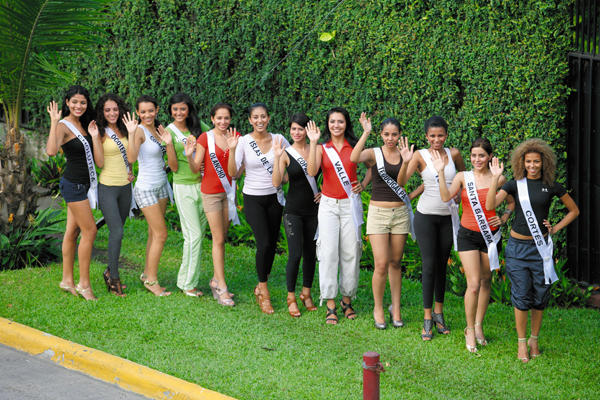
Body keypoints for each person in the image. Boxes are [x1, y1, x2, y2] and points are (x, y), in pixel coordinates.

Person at [486, 138, 579, 362]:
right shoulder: (514, 184)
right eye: (528, 161)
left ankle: (534, 339)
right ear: (522, 162)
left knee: (540, 295)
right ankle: (521, 344)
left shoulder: (552, 186)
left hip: (541, 250)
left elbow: (574, 210)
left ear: (544, 162)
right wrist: (495, 179)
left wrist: (555, 228)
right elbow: (490, 206)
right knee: (521, 295)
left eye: (536, 161)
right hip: (517, 249)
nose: (532, 166)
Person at [433, 138, 514, 352]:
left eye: (481, 155)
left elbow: (511, 202)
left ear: (489, 157)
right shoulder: (462, 177)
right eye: (473, 155)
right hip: (467, 234)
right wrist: (441, 172)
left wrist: (504, 217)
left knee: (487, 281)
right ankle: (469, 329)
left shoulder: (500, 177)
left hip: (491, 236)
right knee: (474, 284)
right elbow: (444, 197)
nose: (477, 159)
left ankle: (479, 326)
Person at [399, 115, 466, 340]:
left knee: (441, 266)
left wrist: (457, 197)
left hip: (448, 218)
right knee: (428, 266)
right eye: (432, 136)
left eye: (440, 136)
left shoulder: (454, 154)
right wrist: (405, 161)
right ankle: (427, 317)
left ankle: (439, 313)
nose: (436, 140)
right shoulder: (420, 155)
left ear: (446, 135)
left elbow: (464, 179)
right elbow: (401, 182)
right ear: (426, 136)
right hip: (426, 217)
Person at [350, 114, 415, 329]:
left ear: (399, 135)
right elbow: (353, 157)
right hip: (378, 213)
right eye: (386, 134)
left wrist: (406, 162)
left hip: (400, 214)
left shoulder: (404, 154)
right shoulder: (374, 153)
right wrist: (365, 132)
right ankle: (378, 307)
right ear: (381, 135)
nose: (390, 138)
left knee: (396, 263)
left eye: (394, 134)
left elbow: (402, 183)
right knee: (380, 264)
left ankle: (395, 308)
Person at [227, 103, 289, 314]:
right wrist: (233, 149)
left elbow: (293, 164)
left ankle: (261, 283)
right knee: (263, 243)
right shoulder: (243, 141)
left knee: (271, 244)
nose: (260, 120)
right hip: (253, 198)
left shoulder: (279, 139)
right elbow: (233, 173)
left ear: (268, 118)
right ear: (250, 120)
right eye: (256, 117)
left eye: (263, 116)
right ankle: (263, 289)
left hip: (275, 197)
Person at [306, 107, 363, 325]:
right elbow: (312, 171)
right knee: (328, 252)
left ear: (346, 124)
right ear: (327, 124)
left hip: (350, 204)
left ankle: (347, 300)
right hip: (328, 205)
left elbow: (372, 165)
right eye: (332, 122)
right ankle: (330, 302)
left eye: (340, 121)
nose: (336, 125)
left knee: (351, 252)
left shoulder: (354, 146)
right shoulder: (322, 147)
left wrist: (363, 184)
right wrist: (312, 142)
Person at [46, 85, 102, 301]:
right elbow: (51, 151)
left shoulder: (85, 124)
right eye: (74, 102)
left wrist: (95, 136)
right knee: (90, 231)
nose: (79, 106)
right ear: (67, 102)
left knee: (72, 232)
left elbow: (95, 158)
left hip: (84, 185)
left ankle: (67, 280)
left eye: (83, 102)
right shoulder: (63, 125)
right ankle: (84, 285)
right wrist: (53, 122)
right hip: (74, 185)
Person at [125, 95, 177, 296]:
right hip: (145, 188)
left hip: (162, 186)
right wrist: (130, 134)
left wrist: (168, 143)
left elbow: (169, 161)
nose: (147, 114)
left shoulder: (158, 130)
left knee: (153, 233)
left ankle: (147, 274)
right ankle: (152, 281)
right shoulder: (138, 131)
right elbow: (131, 157)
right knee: (161, 233)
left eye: (151, 110)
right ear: (138, 113)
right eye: (143, 112)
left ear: (156, 110)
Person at [187, 102, 238, 306]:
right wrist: (188, 154)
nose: (223, 122)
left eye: (226, 118)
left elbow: (234, 171)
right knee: (217, 238)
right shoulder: (204, 138)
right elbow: (195, 168)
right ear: (212, 119)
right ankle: (222, 287)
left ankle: (216, 280)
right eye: (219, 118)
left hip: (228, 193)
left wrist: (233, 149)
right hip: (211, 194)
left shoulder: (236, 137)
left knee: (222, 238)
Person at [272, 112, 320, 317]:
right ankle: (291, 296)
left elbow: (314, 171)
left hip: (314, 211)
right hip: (293, 211)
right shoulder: (285, 152)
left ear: (308, 130)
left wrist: (324, 191)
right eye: (293, 129)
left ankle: (306, 293)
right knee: (295, 254)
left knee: (311, 254)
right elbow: (276, 182)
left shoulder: (317, 149)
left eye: (301, 129)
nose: (297, 132)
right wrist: (276, 158)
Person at [165, 93, 207, 298]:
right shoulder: (168, 132)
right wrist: (169, 144)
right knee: (194, 235)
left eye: (183, 108)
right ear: (171, 111)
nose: (179, 113)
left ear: (189, 109)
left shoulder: (200, 127)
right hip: (183, 186)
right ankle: (187, 283)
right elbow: (173, 166)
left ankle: (188, 280)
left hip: (203, 186)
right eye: (175, 109)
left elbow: (213, 144)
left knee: (196, 236)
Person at [94, 93, 134, 297]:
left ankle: (109, 270)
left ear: (121, 110)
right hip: (107, 187)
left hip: (125, 188)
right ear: (102, 112)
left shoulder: (126, 128)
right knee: (116, 232)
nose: (112, 113)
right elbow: (99, 163)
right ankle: (114, 278)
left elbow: (131, 156)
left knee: (118, 232)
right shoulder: (100, 132)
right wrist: (94, 138)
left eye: (115, 109)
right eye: (107, 110)